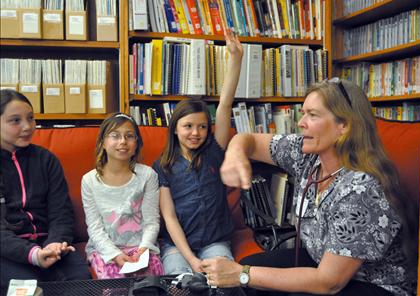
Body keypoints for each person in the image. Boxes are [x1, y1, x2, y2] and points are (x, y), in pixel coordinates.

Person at [201, 79, 418, 296]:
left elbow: (328, 282)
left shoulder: (364, 189)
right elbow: (248, 140)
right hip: (323, 263)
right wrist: (236, 153)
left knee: (248, 277)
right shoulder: (307, 154)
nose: (301, 122)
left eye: (313, 115)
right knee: (251, 272)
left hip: (372, 285)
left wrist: (242, 274)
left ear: (344, 126)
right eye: (303, 113)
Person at [152, 29, 243, 274]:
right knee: (179, 282)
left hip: (215, 241)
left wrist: (236, 59)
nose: (195, 133)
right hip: (177, 246)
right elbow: (169, 217)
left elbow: (224, 106)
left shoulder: (213, 151)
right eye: (188, 126)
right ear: (175, 129)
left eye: (202, 126)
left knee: (220, 281)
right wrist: (191, 260)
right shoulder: (162, 166)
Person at [0, 90, 91, 291]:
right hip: (9, 251)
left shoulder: (46, 159)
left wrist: (55, 243)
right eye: (15, 120)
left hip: (51, 245)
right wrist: (32, 254)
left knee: (81, 282)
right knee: (26, 288)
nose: (27, 127)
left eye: (31, 118)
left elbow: (61, 212)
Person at [81, 113, 164, 279]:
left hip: (141, 247)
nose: (123, 142)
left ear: (136, 144)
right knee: (115, 285)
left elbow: (151, 221)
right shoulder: (89, 180)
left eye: (129, 136)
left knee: (151, 284)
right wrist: (114, 254)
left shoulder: (148, 175)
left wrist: (144, 248)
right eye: (115, 136)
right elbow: (95, 227)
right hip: (106, 249)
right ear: (103, 143)